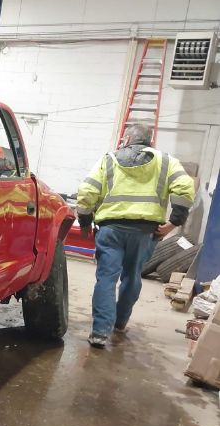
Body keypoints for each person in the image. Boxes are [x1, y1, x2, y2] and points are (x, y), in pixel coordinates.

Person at [76, 123, 196, 348]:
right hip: (145, 232)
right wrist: (174, 222)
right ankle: (120, 323)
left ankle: (100, 332)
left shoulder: (109, 159)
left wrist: (84, 221)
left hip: (111, 229)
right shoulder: (166, 161)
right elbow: (185, 187)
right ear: (149, 141)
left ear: (128, 140)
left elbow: (88, 190)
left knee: (106, 278)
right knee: (132, 277)